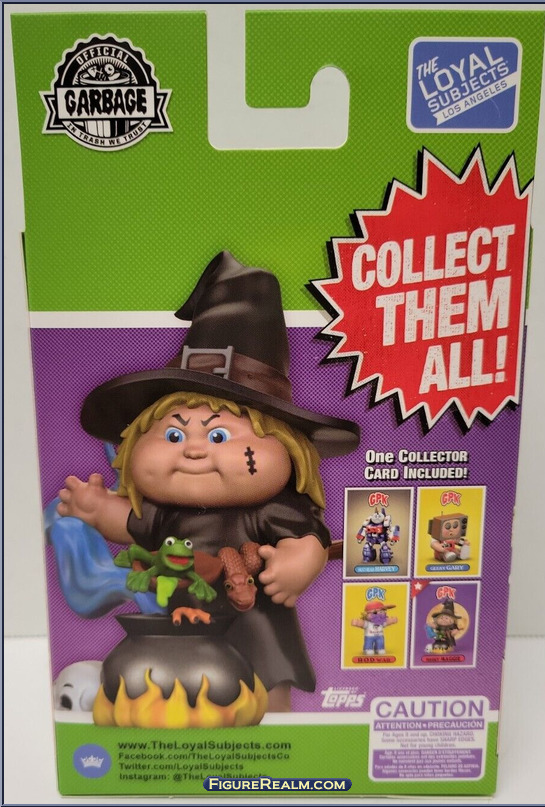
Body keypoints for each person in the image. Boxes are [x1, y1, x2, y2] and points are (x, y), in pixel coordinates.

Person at [57, 251, 360, 711]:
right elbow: (132, 523)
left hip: (255, 624)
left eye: (219, 436)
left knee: (264, 687)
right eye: (174, 435)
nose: (195, 450)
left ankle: (277, 734)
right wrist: (97, 510)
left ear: (288, 447)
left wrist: (300, 563)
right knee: (189, 691)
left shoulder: (271, 509)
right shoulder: (167, 513)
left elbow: (307, 540)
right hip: (184, 626)